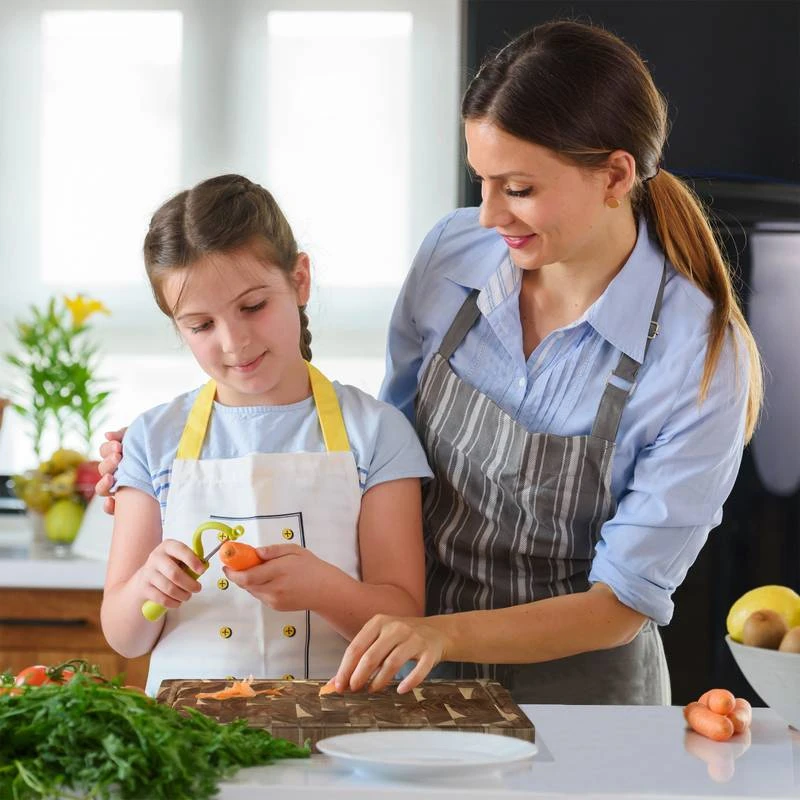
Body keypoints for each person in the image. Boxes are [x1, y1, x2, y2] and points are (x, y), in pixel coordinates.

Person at [99, 20, 763, 705]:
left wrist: (441, 635)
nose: (487, 216)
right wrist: (165, 462)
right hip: (409, 666)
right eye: (482, 181)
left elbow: (621, 603)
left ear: (615, 174)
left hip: (581, 689)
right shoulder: (454, 254)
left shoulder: (700, 356)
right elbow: (388, 455)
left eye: (519, 188)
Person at [99, 174, 430, 696]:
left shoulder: (378, 432)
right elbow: (125, 638)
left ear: (299, 280)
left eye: (253, 306)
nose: (235, 342)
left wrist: (324, 589)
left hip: (337, 728)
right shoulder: (151, 439)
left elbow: (407, 618)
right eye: (201, 325)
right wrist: (149, 586)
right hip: (188, 739)